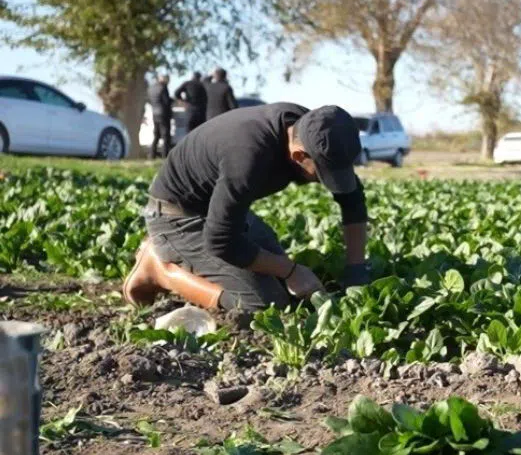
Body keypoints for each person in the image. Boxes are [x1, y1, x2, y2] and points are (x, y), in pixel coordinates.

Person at [122, 103, 374, 312]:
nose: (326, 180)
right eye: (322, 173)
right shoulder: (248, 156)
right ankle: (160, 270)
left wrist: (356, 269)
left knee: (284, 287)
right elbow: (221, 241)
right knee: (265, 305)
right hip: (177, 217)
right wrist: (290, 270)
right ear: (299, 156)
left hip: (221, 210)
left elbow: (351, 198)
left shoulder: (313, 129)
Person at [147, 74, 174, 158]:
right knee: (165, 135)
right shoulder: (163, 87)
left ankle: (152, 154)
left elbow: (150, 100)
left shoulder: (151, 88)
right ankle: (165, 155)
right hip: (163, 114)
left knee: (156, 135)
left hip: (154, 113)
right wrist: (173, 100)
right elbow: (166, 101)